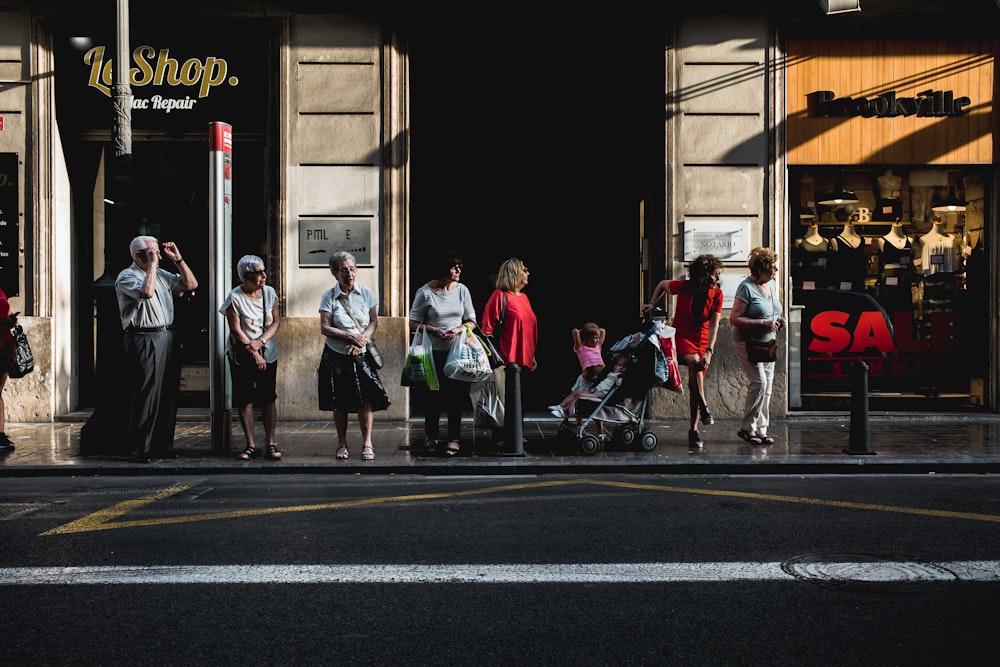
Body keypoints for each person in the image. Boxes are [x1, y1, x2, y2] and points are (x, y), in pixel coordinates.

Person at [115, 235, 198, 463]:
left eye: (157, 252)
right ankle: (141, 447)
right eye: (153, 253)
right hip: (144, 337)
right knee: (146, 393)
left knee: (168, 393)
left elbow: (191, 284)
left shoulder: (162, 274)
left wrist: (178, 259)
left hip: (167, 335)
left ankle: (163, 445)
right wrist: (151, 265)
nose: (158, 257)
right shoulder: (127, 276)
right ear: (138, 255)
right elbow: (146, 292)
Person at [642, 254, 723, 450]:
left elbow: (715, 325)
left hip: (702, 340)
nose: (718, 278)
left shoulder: (717, 294)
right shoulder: (685, 287)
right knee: (695, 361)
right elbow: (662, 284)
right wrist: (653, 303)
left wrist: (710, 350)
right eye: (715, 274)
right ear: (704, 275)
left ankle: (694, 429)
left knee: (696, 377)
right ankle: (704, 406)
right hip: (682, 337)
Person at [318, 251, 390, 461]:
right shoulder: (329, 296)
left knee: (364, 400)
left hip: (361, 353)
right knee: (339, 401)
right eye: (343, 270)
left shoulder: (366, 293)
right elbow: (325, 327)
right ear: (335, 273)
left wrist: (362, 340)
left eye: (352, 269)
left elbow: (373, 322)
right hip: (336, 354)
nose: (349, 273)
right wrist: (349, 336)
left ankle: (367, 442)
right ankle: (342, 443)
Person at [408, 251, 477, 457]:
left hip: (456, 353)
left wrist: (459, 329)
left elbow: (472, 320)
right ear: (442, 269)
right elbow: (412, 323)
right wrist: (433, 330)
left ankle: (454, 439)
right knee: (432, 397)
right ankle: (431, 437)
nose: (458, 270)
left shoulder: (462, 291)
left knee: (456, 397)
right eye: (454, 267)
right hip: (433, 352)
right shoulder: (425, 292)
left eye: (460, 267)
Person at [220, 255, 281, 461]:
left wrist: (261, 342)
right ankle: (251, 445)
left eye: (264, 271)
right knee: (245, 398)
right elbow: (236, 329)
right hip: (243, 355)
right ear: (246, 276)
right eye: (258, 272)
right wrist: (253, 351)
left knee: (268, 397)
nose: (264, 276)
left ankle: (271, 443)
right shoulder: (234, 297)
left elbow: (275, 323)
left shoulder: (270, 293)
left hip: (267, 352)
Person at [730, 246, 786, 446]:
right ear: (761, 269)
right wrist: (763, 323)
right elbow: (734, 319)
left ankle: (762, 430)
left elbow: (771, 310)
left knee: (768, 387)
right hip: (746, 341)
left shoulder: (771, 284)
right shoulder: (746, 287)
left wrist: (779, 320)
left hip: (767, 341)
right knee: (759, 383)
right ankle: (747, 428)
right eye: (773, 267)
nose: (776, 271)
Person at [481, 257, 538, 451]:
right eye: (524, 270)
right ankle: (501, 436)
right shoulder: (499, 296)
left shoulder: (524, 298)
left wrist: (533, 355)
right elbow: (486, 328)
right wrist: (493, 356)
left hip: (525, 358)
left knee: (520, 399)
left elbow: (528, 330)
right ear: (514, 273)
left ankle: (516, 433)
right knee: (504, 399)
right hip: (506, 359)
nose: (528, 273)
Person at [548, 353, 628, 420]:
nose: (620, 367)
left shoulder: (620, 377)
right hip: (595, 390)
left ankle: (564, 412)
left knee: (580, 396)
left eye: (623, 366)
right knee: (577, 392)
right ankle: (561, 406)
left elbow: (617, 388)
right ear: (615, 366)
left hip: (601, 394)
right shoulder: (611, 373)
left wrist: (604, 395)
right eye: (619, 365)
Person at [0, 288, 17, 452]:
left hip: (4, 349)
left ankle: (0, 434)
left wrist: (11, 320)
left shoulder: (1, 293)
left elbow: (9, 312)